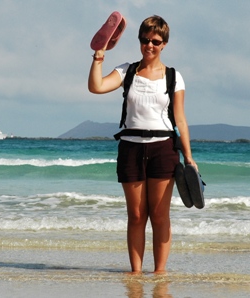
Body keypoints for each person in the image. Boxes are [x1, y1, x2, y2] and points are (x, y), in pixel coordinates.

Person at [88, 15, 197, 274]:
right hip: (130, 147)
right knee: (136, 216)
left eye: (155, 41)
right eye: (145, 40)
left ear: (164, 44)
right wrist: (98, 56)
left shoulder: (174, 77)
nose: (149, 45)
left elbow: (180, 119)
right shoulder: (127, 71)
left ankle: (159, 273)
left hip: (163, 148)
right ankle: (135, 273)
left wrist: (189, 157)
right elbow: (96, 87)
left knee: (159, 217)